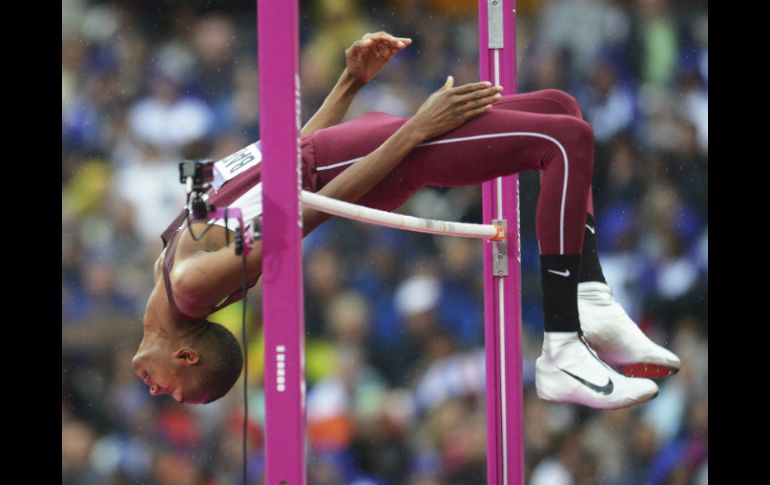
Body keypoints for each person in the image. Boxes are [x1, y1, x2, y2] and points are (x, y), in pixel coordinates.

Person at [132, 32, 680, 408]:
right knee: (565, 138)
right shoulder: (193, 284)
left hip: (350, 151)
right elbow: (308, 207)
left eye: (172, 392)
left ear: (185, 355)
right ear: (185, 353)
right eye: (170, 391)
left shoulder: (176, 269)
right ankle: (566, 342)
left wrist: (350, 83)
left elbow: (285, 161)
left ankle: (589, 306)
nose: (157, 391)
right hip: (367, 160)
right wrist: (412, 133)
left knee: (561, 110)